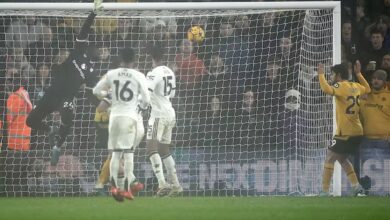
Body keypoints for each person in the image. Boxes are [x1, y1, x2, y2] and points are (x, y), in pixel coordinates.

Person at [26, 0, 103, 166]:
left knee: (68, 115)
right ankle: (50, 130)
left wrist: (101, 106)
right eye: (99, 48)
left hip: (67, 97)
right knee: (30, 121)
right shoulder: (79, 52)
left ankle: (57, 146)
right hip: (52, 93)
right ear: (93, 47)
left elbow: (89, 93)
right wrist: (93, 14)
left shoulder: (92, 73)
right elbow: (83, 32)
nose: (101, 51)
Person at [93, 47, 150, 202]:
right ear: (134, 60)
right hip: (130, 117)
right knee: (128, 153)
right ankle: (126, 188)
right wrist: (142, 107)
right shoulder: (138, 75)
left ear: (121, 58)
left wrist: (109, 96)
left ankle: (114, 187)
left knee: (116, 154)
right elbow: (146, 99)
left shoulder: (111, 74)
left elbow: (96, 91)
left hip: (115, 118)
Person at [318, 61, 371, 196]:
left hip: (345, 132)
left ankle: (324, 191)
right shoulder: (356, 86)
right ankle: (356, 187)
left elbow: (326, 89)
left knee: (330, 157)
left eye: (332, 74)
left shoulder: (340, 86)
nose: (331, 76)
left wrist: (321, 75)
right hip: (357, 131)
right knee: (342, 159)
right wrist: (359, 74)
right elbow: (368, 89)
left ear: (339, 75)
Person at [146, 44, 183, 197]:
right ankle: (176, 185)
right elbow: (172, 94)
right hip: (170, 113)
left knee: (151, 149)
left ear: (151, 57)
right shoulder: (170, 72)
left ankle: (162, 184)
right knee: (164, 150)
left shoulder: (153, 73)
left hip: (158, 115)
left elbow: (146, 93)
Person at [93, 97, 145, 197]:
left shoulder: (115, 87)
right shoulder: (136, 88)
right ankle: (128, 186)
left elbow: (100, 108)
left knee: (115, 157)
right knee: (122, 158)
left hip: (125, 127)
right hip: (139, 128)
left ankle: (130, 184)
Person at [359, 69, 390, 193]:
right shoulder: (365, 95)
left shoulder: (388, 96)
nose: (376, 81)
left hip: (384, 139)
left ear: (384, 81)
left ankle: (386, 190)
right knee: (367, 168)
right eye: (374, 78)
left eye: (379, 79)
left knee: (384, 167)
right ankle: (367, 190)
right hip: (366, 139)